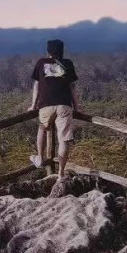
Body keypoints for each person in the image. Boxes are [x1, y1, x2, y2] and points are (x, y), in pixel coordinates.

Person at [28, 39, 80, 179]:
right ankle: (61, 173)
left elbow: (37, 86)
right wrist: (77, 106)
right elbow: (71, 87)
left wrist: (33, 105)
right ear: (62, 50)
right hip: (64, 104)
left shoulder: (41, 63)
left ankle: (39, 157)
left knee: (42, 128)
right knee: (63, 140)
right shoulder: (67, 63)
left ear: (48, 51)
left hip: (46, 104)